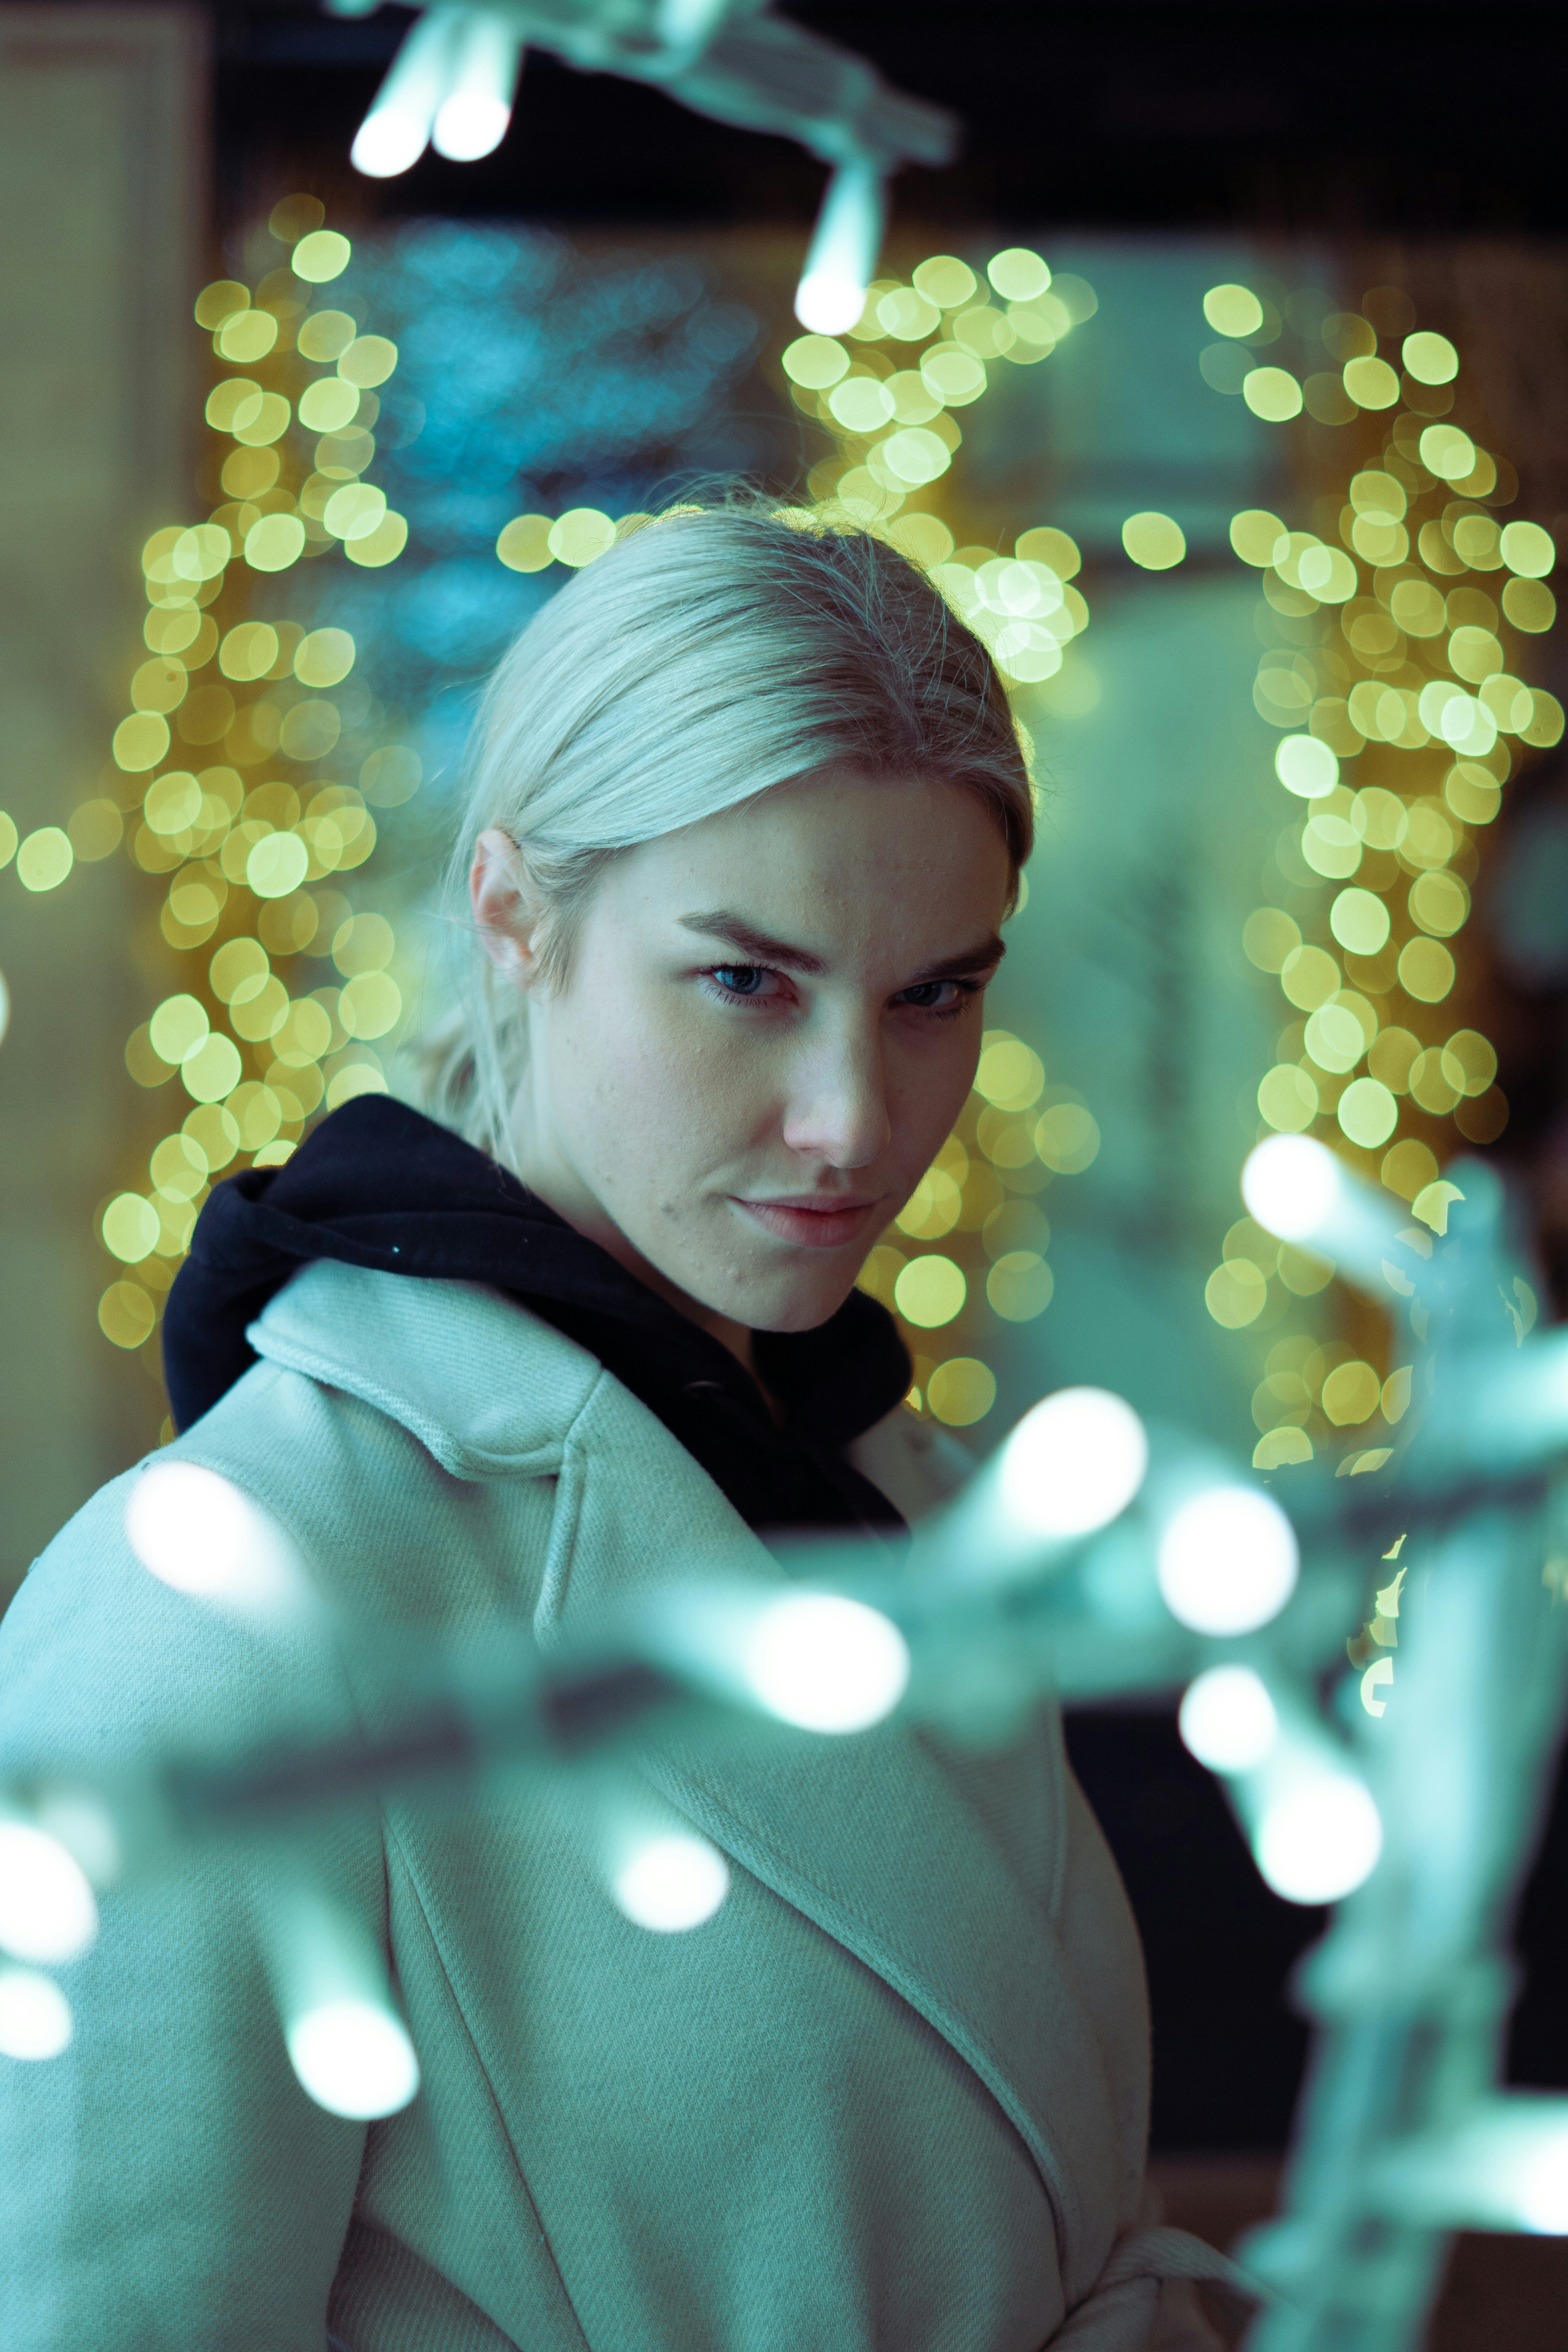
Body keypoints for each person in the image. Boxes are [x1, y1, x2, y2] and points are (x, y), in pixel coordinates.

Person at [0, 502, 1238, 2349]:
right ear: (516, 912)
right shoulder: (211, 1607)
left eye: (935, 996)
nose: (852, 1117)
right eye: (748, 979)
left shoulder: (909, 1495)